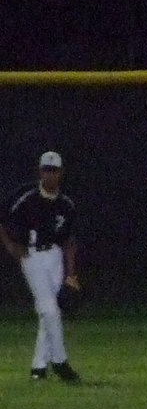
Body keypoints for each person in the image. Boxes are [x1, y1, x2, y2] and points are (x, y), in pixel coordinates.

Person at [2, 150, 82, 382]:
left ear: (61, 173)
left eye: (54, 170)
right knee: (49, 310)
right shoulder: (26, 196)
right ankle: (60, 362)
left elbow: (69, 241)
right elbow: (2, 217)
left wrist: (71, 272)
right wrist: (9, 245)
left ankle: (38, 367)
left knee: (48, 314)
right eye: (47, 170)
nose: (50, 175)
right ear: (40, 171)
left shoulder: (66, 204)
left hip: (55, 256)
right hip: (32, 256)